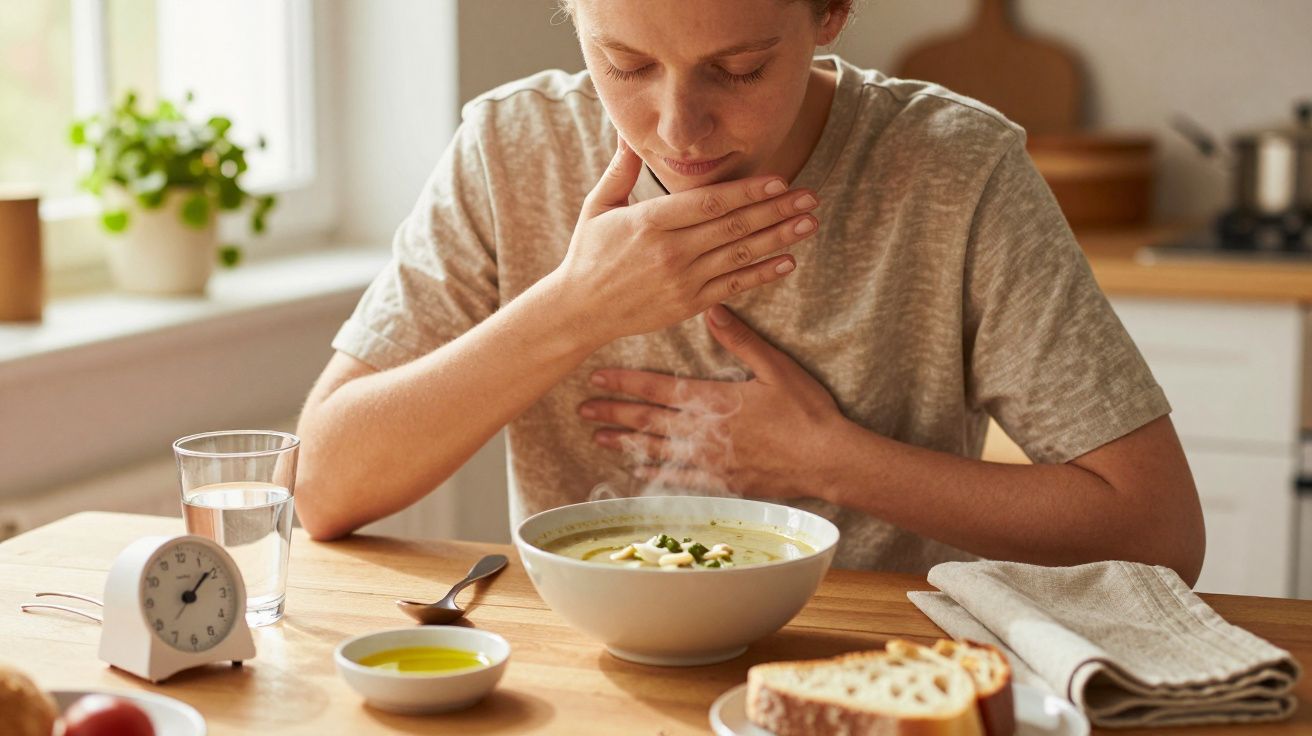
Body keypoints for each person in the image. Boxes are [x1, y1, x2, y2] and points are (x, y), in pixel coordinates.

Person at [295, 0, 1206, 585]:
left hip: (871, 671)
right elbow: (320, 487)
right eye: (625, 64)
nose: (678, 130)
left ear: (831, 13)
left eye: (739, 69)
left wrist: (830, 460)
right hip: (582, 675)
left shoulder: (955, 169)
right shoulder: (511, 148)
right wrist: (574, 308)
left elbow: (1158, 532)